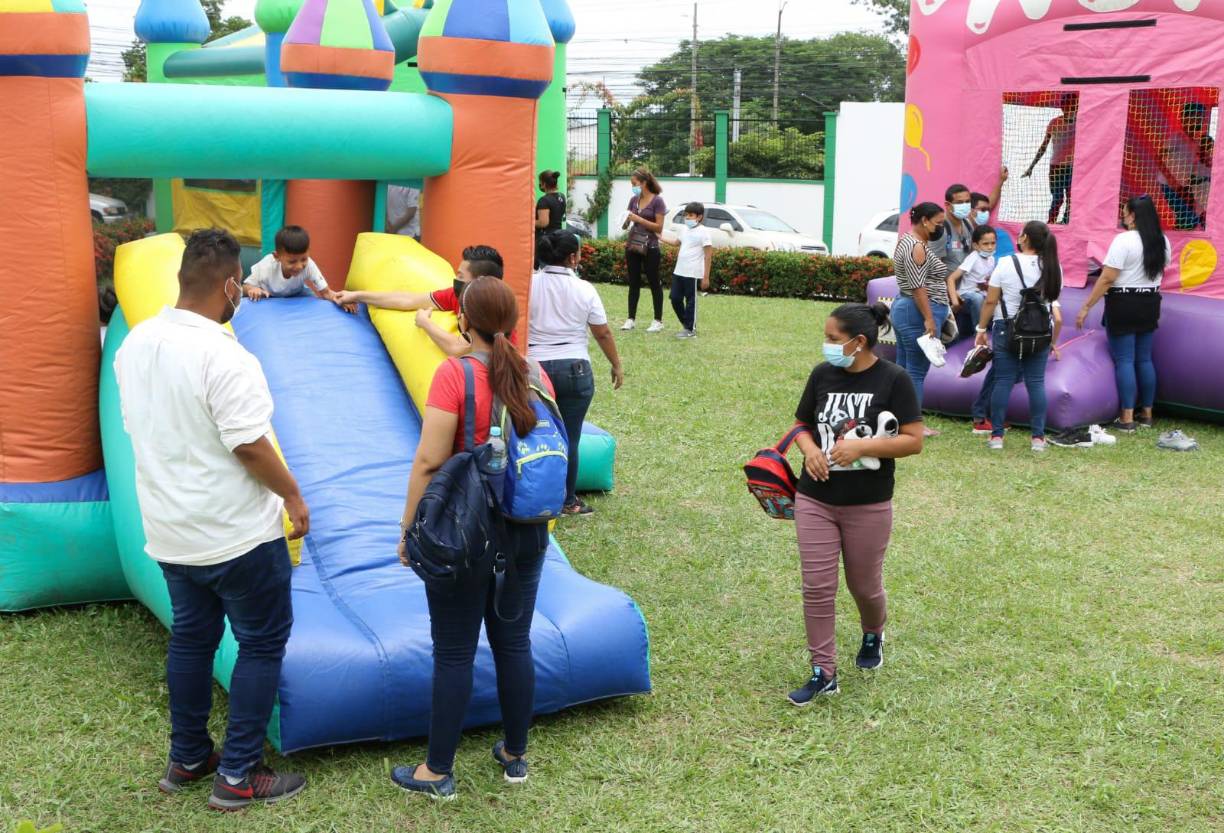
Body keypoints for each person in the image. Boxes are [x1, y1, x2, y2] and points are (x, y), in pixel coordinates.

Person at [114, 229, 309, 811]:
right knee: (262, 642)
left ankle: (190, 755)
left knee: (193, 641)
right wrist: (294, 498)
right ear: (231, 285)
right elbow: (249, 444)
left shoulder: (136, 344)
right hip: (235, 535)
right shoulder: (225, 354)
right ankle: (240, 774)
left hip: (172, 531)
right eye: (240, 287)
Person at [390, 277, 557, 800]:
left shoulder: (453, 374)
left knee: (455, 653)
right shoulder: (535, 375)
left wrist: (408, 528)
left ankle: (437, 771)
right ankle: (515, 755)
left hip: (465, 536)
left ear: (464, 319)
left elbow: (428, 460)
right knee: (514, 643)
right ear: (510, 322)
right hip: (527, 533)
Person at [786, 302, 924, 704]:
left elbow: (913, 440)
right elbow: (800, 426)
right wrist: (810, 449)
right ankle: (823, 672)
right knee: (817, 587)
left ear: (858, 342)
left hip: (868, 504)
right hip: (815, 497)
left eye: (832, 339)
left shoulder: (894, 379)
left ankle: (873, 633)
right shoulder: (821, 375)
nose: (826, 346)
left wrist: (864, 446)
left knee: (863, 586)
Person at [530, 230, 625, 516]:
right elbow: (603, 332)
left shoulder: (528, 284)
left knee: (533, 431)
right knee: (569, 437)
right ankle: (568, 500)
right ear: (573, 257)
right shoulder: (585, 289)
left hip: (535, 368)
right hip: (575, 368)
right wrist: (616, 364)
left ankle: (530, 493)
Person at [1074, 195, 1170, 432]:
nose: (1123, 216)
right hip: (1149, 301)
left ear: (1133, 215)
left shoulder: (1123, 240)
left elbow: (1107, 277)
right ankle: (1146, 413)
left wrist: (1087, 306)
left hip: (1124, 301)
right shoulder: (1162, 241)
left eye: (1125, 212)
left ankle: (1126, 417)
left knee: (1125, 360)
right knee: (1144, 359)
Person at [974, 220, 1063, 452]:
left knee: (1003, 381)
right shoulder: (1053, 266)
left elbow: (991, 300)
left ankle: (996, 437)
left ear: (1024, 238)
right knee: (1036, 383)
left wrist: (981, 330)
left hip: (1006, 326)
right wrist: (1053, 341)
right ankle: (1038, 438)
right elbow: (1053, 303)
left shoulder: (1005, 263)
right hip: (1041, 330)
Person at [335, 245, 513, 355]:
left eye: (460, 275)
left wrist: (425, 323)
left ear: (478, 281)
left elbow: (458, 349)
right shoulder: (456, 296)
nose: (456, 280)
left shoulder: (493, 311)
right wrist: (358, 295)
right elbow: (406, 300)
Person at [891, 201, 951, 435]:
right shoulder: (916, 246)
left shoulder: (907, 240)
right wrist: (929, 318)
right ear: (925, 221)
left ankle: (899, 420)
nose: (939, 227)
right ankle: (913, 424)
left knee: (904, 368)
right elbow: (918, 286)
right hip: (916, 310)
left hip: (906, 308)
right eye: (937, 223)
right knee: (915, 370)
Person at [243, 225, 353, 311]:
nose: (299, 266)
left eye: (303, 259)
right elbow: (245, 286)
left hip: (297, 293)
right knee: (248, 300)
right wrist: (253, 289)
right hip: (269, 295)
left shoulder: (309, 265)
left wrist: (340, 299)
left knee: (313, 299)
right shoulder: (266, 266)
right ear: (277, 257)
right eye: (292, 261)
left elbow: (326, 293)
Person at [621, 166, 667, 333]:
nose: (633, 186)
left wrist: (639, 218)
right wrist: (625, 220)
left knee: (654, 282)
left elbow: (659, 228)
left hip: (651, 247)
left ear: (644, 183)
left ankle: (658, 320)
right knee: (633, 282)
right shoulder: (634, 200)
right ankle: (630, 318)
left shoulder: (657, 201)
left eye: (635, 183)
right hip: (633, 244)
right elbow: (627, 223)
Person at [1023, 99, 1077, 224]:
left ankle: (1066, 221)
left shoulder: (1080, 123)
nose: (1069, 109)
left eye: (1073, 106)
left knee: (1071, 198)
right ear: (1062, 108)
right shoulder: (1055, 122)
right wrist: (1031, 166)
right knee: (1058, 198)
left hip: (1073, 167)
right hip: (1056, 167)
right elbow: (1044, 145)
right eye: (1066, 107)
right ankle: (1051, 222)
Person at [670, 201, 712, 339]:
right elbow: (676, 243)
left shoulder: (704, 232)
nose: (687, 217)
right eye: (686, 215)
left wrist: (706, 277)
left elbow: (708, 255)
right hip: (679, 271)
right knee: (675, 298)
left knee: (690, 301)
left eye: (691, 215)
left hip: (692, 273)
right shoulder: (684, 229)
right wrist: (658, 236)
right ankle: (687, 324)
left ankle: (690, 329)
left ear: (699, 217)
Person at [535, 170, 566, 241]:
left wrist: (528, 222)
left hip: (546, 239)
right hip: (558, 236)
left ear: (544, 184)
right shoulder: (562, 196)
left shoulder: (544, 200)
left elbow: (543, 223)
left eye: (540, 182)